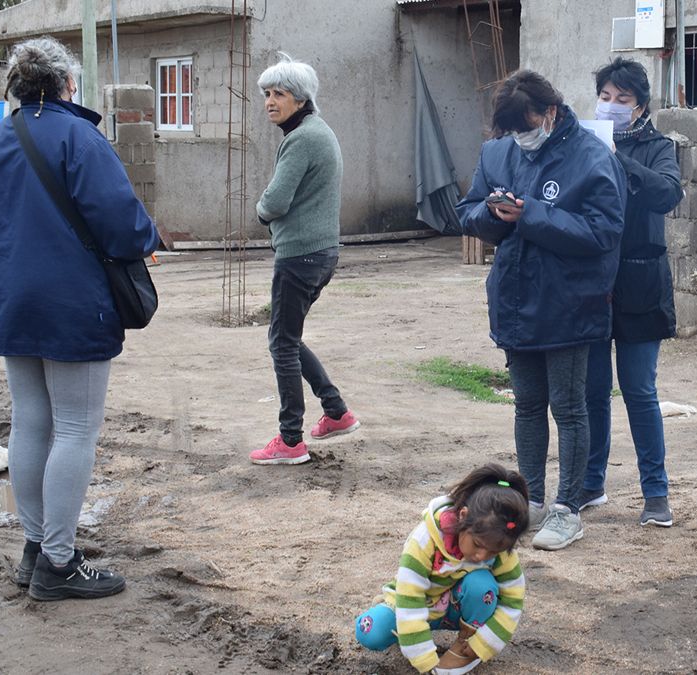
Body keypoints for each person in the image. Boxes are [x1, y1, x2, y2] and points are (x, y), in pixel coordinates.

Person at [0, 37, 160, 600]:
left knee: (30, 421)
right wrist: (148, 239)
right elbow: (123, 223)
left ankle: (36, 549)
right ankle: (58, 561)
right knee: (75, 428)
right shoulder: (79, 136)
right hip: (72, 299)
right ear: (66, 84)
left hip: (9, 299)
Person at [457, 70, 626, 551]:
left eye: (526, 126)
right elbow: (467, 211)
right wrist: (492, 214)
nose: (520, 137)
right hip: (515, 300)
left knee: (569, 408)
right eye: (511, 130)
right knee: (527, 404)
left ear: (550, 112)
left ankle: (569, 507)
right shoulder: (497, 152)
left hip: (570, 303)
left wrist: (531, 213)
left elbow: (604, 231)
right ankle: (528, 499)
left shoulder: (592, 156)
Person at [576, 58, 683, 527]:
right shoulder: (582, 143)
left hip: (641, 283)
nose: (612, 105)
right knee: (592, 392)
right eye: (605, 97)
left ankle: (655, 493)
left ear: (641, 106)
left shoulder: (660, 147)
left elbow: (667, 193)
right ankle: (590, 482)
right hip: (593, 284)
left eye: (623, 99)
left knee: (639, 391)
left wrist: (618, 158)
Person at [249, 53, 359, 466]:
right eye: (266, 94)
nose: (270, 102)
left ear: (300, 98)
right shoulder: (317, 131)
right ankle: (336, 412)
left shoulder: (301, 139)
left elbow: (276, 200)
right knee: (288, 337)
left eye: (279, 94)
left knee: (282, 343)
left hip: (300, 255)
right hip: (320, 252)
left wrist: (261, 211)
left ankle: (290, 439)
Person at [355, 464, 529, 674]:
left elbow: (513, 599)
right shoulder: (424, 539)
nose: (482, 556)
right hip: (418, 603)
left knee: (482, 586)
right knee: (368, 631)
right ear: (463, 515)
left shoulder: (498, 542)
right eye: (477, 545)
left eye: (493, 552)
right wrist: (424, 658)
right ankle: (409, 629)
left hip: (453, 610)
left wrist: (484, 643)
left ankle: (465, 644)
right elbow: (410, 597)